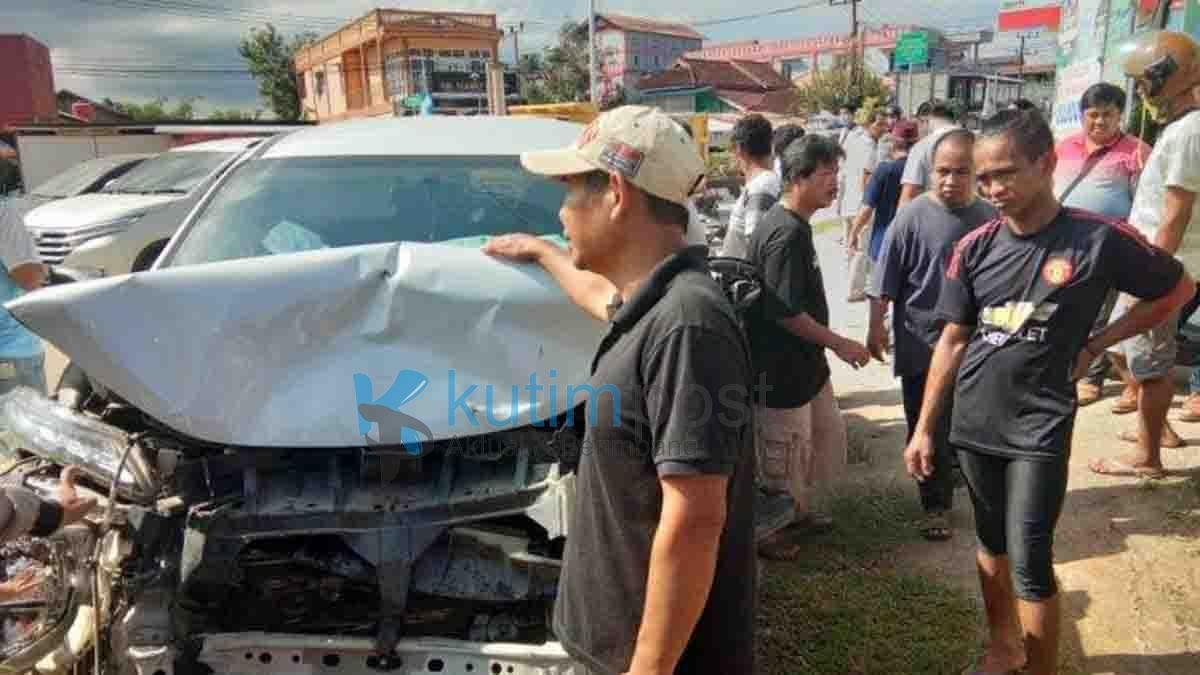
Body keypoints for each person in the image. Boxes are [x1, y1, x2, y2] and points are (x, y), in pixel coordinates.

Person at [905, 108, 1193, 675]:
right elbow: (954, 338)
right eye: (983, 178)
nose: (992, 189)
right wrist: (922, 428)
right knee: (990, 546)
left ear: (1045, 164)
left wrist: (1100, 341)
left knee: (1031, 558)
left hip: (1040, 421)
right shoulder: (976, 245)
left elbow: (1177, 288)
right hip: (975, 419)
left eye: (1005, 173)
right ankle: (1003, 647)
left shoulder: (1098, 239)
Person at [483, 105, 757, 674]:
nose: (560, 213)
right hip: (616, 639)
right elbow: (598, 298)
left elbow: (695, 519)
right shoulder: (655, 303)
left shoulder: (688, 326)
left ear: (614, 193)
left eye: (567, 194)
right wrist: (541, 252)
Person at [868, 129, 998, 542]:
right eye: (942, 171)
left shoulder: (990, 219)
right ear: (929, 171)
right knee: (926, 425)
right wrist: (875, 326)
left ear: (976, 173)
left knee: (969, 423)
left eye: (961, 172)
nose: (950, 180)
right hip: (920, 345)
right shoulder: (910, 216)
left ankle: (968, 484)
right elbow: (883, 280)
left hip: (975, 347)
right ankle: (935, 505)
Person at [748, 135, 871, 560]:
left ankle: (794, 514)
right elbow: (783, 312)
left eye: (836, 173)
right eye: (826, 175)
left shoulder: (796, 226)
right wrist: (839, 344)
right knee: (781, 453)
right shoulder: (783, 234)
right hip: (779, 372)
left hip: (803, 366)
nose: (835, 183)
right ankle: (765, 532)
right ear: (798, 179)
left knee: (811, 444)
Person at [1091, 30, 1200, 479]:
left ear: (1163, 77)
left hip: (1161, 266)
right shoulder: (1180, 129)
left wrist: (1154, 277)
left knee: (1151, 364)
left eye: (1142, 81)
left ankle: (1149, 458)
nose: (1138, 89)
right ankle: (1156, 432)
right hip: (1154, 263)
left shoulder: (1190, 132)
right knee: (1125, 347)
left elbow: (1175, 211)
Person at [1052, 83, 1153, 407]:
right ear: (1082, 116)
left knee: (1101, 312)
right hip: (1065, 242)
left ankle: (1092, 378)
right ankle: (1066, 367)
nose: (1099, 122)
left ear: (1119, 115)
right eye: (1093, 115)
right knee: (1064, 306)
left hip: (1112, 245)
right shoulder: (1063, 147)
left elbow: (1147, 203)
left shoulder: (1136, 151)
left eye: (1107, 115)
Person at [847, 120, 920, 292]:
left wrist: (853, 233)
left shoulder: (884, 170)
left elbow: (867, 208)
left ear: (893, 142)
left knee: (879, 293)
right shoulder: (924, 170)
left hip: (883, 243)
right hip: (914, 244)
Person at [0, 200, 48, 397]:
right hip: (10, 352)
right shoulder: (3, 213)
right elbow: (29, 278)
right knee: (25, 427)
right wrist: (42, 269)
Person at [841, 109, 890, 302]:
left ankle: (849, 284)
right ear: (869, 124)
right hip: (861, 203)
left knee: (850, 245)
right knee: (861, 247)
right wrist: (870, 203)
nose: (883, 128)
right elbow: (867, 178)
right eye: (880, 124)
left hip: (848, 201)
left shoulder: (852, 140)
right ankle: (854, 290)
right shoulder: (870, 147)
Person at [718, 114, 781, 260]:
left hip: (745, 279)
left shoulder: (761, 187)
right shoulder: (764, 183)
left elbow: (756, 245)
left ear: (739, 149)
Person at [1, 466, 96, 545]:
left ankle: (66, 476)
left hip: (38, 516)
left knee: (82, 500)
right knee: (88, 501)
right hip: (36, 514)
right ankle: (66, 476)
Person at [898, 100, 961, 209]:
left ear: (924, 121)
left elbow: (908, 196)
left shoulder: (922, 147)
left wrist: (898, 225)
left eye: (917, 124)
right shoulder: (976, 141)